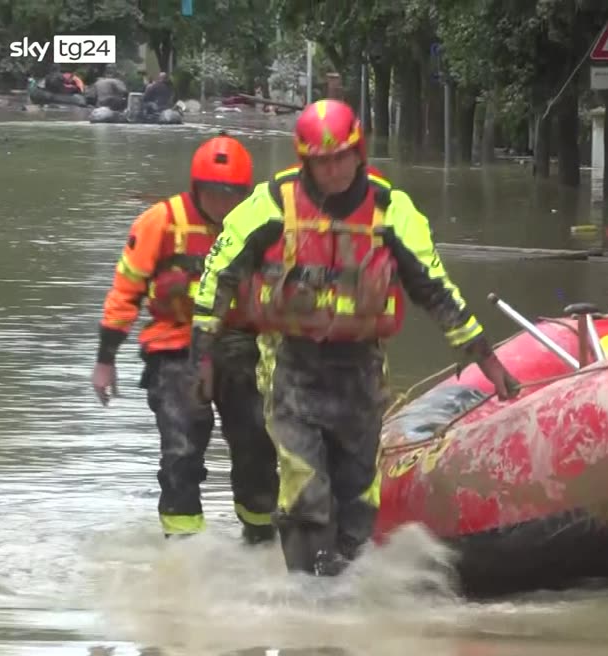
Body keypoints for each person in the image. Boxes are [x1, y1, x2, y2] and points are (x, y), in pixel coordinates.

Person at [191, 99, 520, 577]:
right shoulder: (271, 203)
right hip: (292, 364)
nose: (333, 170)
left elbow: (435, 288)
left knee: (358, 491)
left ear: (359, 151)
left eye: (341, 157)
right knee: (305, 487)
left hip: (360, 366)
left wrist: (485, 358)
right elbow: (218, 275)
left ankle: (347, 586)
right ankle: (308, 598)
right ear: (305, 161)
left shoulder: (391, 210)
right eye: (321, 162)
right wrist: (203, 355)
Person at [92, 133, 279, 543]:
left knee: (256, 444)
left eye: (232, 193)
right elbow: (125, 292)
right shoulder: (160, 222)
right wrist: (106, 361)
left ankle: (262, 538)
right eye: (215, 192)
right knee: (183, 447)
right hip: (173, 346)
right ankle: (184, 549)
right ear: (197, 187)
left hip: (237, 343)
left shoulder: (264, 225)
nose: (223, 202)